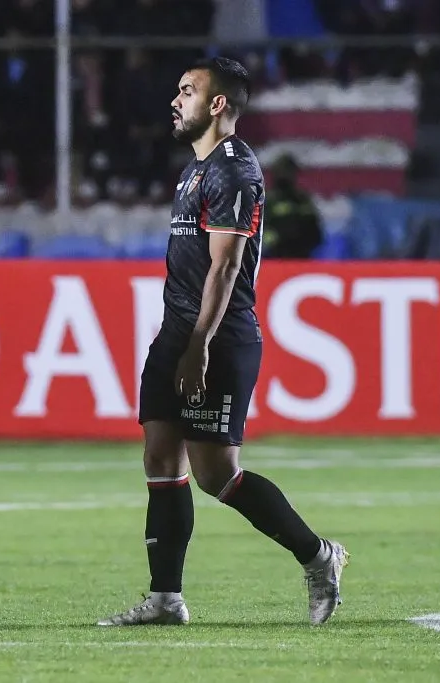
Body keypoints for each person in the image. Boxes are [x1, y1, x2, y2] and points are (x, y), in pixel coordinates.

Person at [98, 57, 348, 628]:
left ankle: (319, 556)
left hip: (217, 337)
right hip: (176, 332)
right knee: (160, 457)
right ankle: (166, 599)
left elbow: (226, 265)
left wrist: (199, 344)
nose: (174, 100)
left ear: (217, 104)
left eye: (186, 91)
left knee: (216, 475)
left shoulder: (234, 170)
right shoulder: (195, 169)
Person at [263, 154, 323, 259]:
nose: (287, 175)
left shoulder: (302, 200)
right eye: (283, 171)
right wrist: (273, 240)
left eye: (290, 171)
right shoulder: (267, 200)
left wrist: (304, 242)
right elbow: (259, 231)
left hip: (301, 256)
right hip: (274, 257)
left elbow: (315, 231)